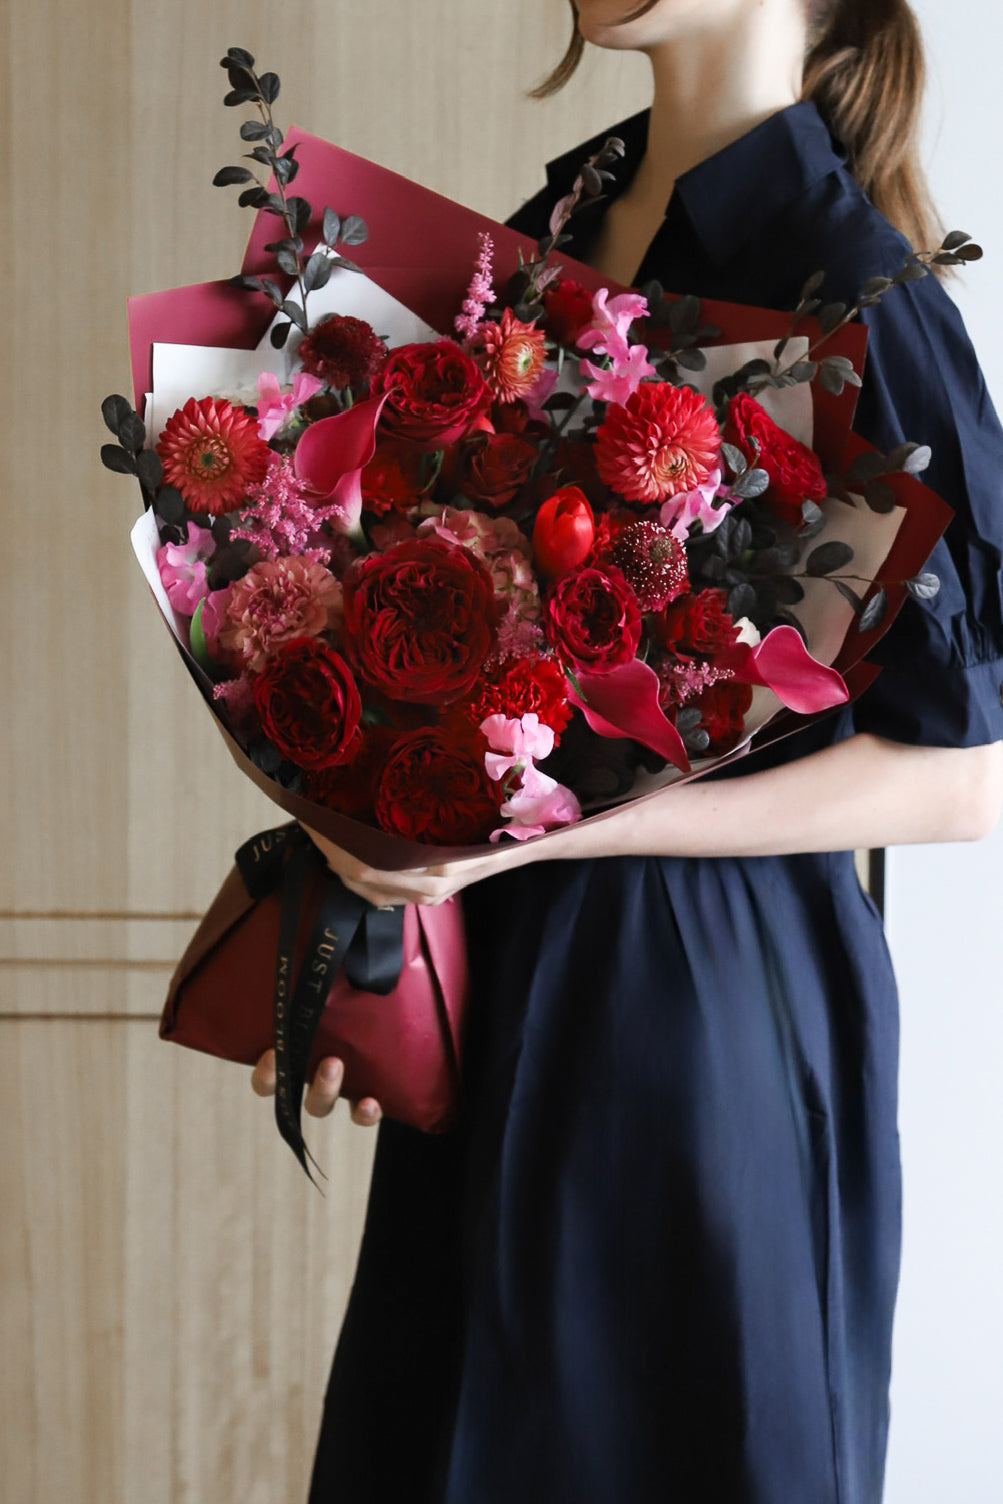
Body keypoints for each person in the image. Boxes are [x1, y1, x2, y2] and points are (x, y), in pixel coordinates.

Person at [253, 2, 1003, 1499]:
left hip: (701, 1008)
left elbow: (972, 777)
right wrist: (378, 872)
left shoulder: (858, 282)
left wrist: (559, 832)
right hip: (506, 975)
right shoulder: (548, 227)